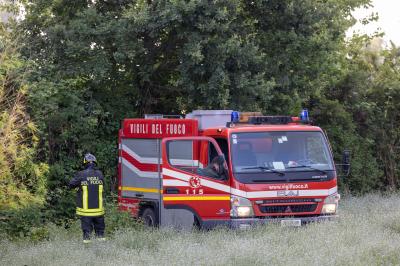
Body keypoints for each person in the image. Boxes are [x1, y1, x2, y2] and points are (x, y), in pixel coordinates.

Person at [69, 153, 106, 243]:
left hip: (86, 212)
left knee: (87, 233)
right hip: (99, 211)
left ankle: (87, 250)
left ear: (85, 163)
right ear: (95, 163)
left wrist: (79, 187)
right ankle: (102, 251)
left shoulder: (81, 174)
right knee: (100, 233)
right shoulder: (100, 174)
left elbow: (71, 185)